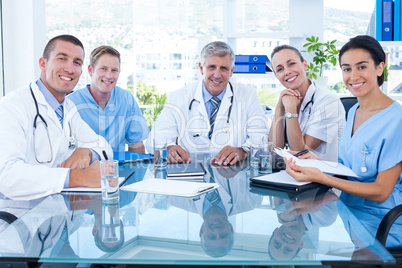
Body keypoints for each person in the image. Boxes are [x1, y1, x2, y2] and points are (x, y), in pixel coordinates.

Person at [284, 35, 402, 212]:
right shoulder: (354, 111)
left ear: (380, 68)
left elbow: (382, 191)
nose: (353, 76)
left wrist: (323, 177)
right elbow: (349, 171)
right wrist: (318, 162)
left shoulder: (396, 120)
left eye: (362, 67)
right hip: (349, 212)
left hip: (380, 223)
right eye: (347, 69)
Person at [0, 35, 113, 200]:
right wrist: (76, 177)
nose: (70, 69)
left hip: (60, 212)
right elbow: (7, 175)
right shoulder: (11, 106)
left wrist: (87, 152)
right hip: (20, 218)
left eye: (76, 62)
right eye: (62, 58)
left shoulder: (68, 109)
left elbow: (105, 148)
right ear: (43, 64)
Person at [146, 41, 268, 166]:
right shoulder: (177, 97)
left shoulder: (248, 95)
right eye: (212, 67)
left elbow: (261, 137)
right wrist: (169, 148)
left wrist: (243, 151)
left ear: (231, 71)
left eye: (224, 69)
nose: (217, 75)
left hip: (233, 174)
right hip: (190, 174)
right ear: (201, 68)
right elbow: (154, 140)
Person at [269, 45, 345, 161]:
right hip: (299, 174)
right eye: (280, 69)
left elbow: (301, 153)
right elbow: (274, 151)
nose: (287, 72)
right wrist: (279, 108)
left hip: (326, 176)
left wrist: (290, 109)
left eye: (291, 64)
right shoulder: (286, 99)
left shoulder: (328, 101)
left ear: (304, 64)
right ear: (276, 76)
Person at [68, 45, 149, 154]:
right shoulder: (70, 103)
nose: (109, 76)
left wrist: (136, 170)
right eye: (103, 69)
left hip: (117, 169)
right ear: (90, 70)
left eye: (114, 70)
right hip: (82, 169)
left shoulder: (126, 99)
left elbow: (136, 146)